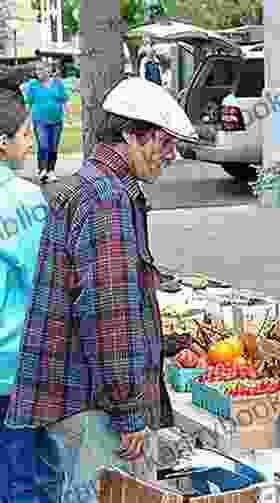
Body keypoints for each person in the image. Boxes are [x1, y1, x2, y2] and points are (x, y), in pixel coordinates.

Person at [4, 77, 198, 502]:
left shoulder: (88, 185)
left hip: (78, 397)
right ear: (131, 134)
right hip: (95, 406)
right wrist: (129, 410)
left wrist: (164, 344)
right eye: (165, 142)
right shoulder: (107, 198)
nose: (172, 154)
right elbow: (109, 314)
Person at [0, 85, 50, 502]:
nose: (31, 142)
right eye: (26, 133)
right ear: (3, 143)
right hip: (12, 370)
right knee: (20, 482)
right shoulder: (23, 200)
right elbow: (43, 283)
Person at [22, 60, 70, 184]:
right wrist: (26, 124)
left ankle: (51, 171)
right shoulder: (33, 86)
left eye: (41, 69)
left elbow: (64, 100)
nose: (38, 72)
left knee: (53, 147)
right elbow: (29, 104)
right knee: (43, 146)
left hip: (56, 121)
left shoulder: (57, 83)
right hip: (39, 121)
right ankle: (42, 170)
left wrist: (68, 115)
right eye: (37, 70)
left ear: (48, 70)